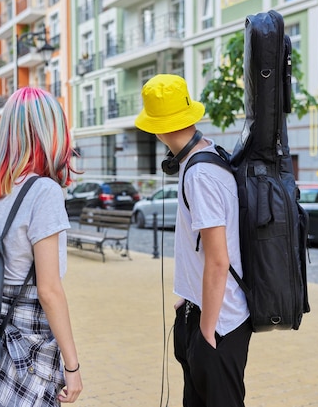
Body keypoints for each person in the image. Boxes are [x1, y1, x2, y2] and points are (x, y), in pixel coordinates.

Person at [0, 87, 83, 406]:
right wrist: (72, 365)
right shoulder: (44, 192)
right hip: (23, 333)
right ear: (49, 132)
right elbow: (49, 290)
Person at [134, 74, 252, 407]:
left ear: (157, 128)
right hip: (201, 311)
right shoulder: (203, 157)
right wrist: (188, 299)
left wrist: (206, 328)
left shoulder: (200, 173)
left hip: (219, 323)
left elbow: (218, 258)